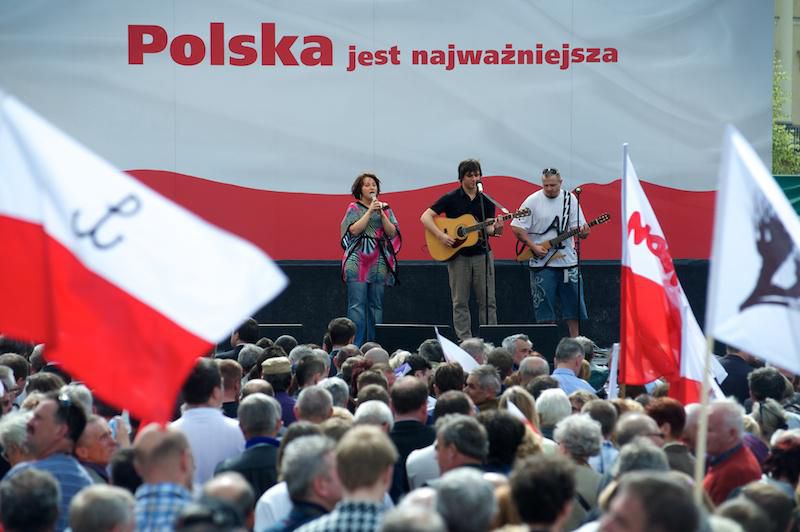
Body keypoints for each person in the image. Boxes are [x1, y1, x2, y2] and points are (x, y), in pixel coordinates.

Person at [420, 159, 503, 341]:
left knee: (488, 300)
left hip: (482, 254)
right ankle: (464, 340)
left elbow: (489, 229)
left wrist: (497, 228)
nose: (474, 179)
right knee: (460, 301)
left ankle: (489, 338)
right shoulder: (451, 198)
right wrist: (441, 236)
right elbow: (425, 216)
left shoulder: (487, 200)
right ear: (462, 177)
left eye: (477, 175)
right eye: (470, 175)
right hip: (458, 256)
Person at [511, 167, 590, 337]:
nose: (549, 189)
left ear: (561, 183)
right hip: (542, 262)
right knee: (544, 305)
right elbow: (517, 227)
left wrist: (584, 232)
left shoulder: (570, 199)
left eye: (553, 185)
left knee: (574, 304)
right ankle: (548, 340)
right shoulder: (532, 201)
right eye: (545, 185)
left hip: (567, 260)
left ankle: (576, 340)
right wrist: (533, 246)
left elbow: (579, 229)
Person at [340, 173, 401, 346]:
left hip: (378, 261)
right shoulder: (354, 208)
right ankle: (355, 345)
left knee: (376, 305)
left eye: (373, 184)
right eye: (367, 185)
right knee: (357, 305)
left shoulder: (385, 208)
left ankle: (375, 344)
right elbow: (353, 230)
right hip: (357, 260)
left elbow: (392, 232)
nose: (371, 187)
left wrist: (381, 213)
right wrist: (369, 211)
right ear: (360, 190)